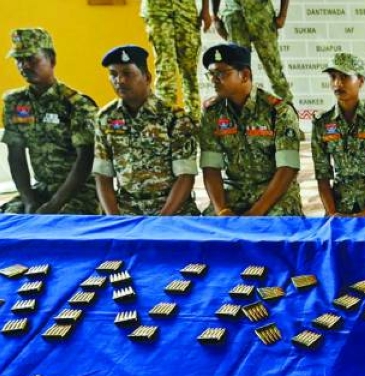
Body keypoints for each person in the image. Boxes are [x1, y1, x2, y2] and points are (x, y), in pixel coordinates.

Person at [2, 28, 99, 215]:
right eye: (19, 60)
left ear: (52, 60)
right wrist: (28, 199)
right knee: (9, 220)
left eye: (32, 59)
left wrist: (55, 205)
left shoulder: (76, 104)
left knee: (57, 226)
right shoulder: (15, 102)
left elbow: (85, 160)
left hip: (78, 193)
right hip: (41, 190)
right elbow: (16, 154)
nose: (24, 66)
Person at [93, 45, 199, 216]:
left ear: (147, 77)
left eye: (127, 74)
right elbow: (103, 176)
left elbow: (185, 176)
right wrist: (114, 219)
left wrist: (160, 221)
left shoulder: (174, 117)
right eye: (113, 74)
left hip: (172, 212)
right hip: (126, 212)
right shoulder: (106, 118)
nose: (119, 80)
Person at [198, 42, 301, 216]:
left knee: (274, 232)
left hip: (273, 195)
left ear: (245, 75)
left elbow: (287, 168)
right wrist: (221, 210)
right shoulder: (212, 113)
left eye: (221, 73)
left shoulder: (279, 110)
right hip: (233, 193)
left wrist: (256, 213)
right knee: (210, 233)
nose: (214, 80)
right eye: (211, 74)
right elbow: (211, 167)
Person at [312, 52, 365, 217]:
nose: (337, 83)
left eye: (345, 77)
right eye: (333, 77)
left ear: (361, 81)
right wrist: (332, 214)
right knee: (333, 241)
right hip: (340, 204)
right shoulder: (322, 122)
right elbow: (322, 175)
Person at [141, 0, 211, 121]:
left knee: (189, 69)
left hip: (186, 10)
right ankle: (164, 120)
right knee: (165, 67)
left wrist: (205, 9)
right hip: (157, 10)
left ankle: (194, 120)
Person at [212, 0, 291, 102]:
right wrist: (214, 16)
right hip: (235, 18)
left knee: (273, 68)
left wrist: (283, 15)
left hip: (261, 15)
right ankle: (240, 110)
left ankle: (287, 107)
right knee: (238, 70)